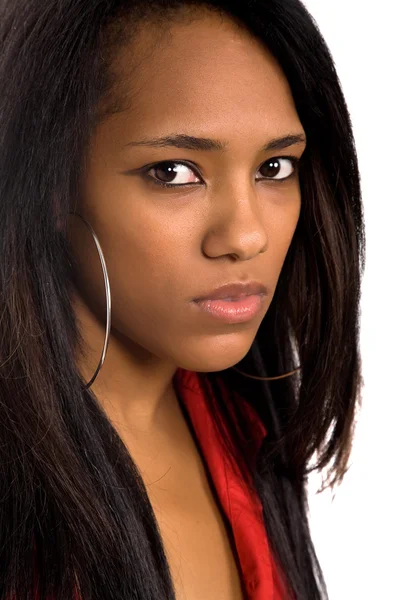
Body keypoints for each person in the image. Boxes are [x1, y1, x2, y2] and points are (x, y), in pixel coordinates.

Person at [0, 1, 365, 599]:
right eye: (173, 172)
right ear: (43, 181)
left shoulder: (244, 425)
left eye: (274, 167)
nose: (246, 236)